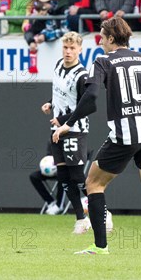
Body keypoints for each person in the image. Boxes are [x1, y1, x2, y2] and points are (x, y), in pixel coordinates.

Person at [53, 17, 141, 255]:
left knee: (94, 184)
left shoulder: (103, 61)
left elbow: (90, 98)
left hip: (125, 134)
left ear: (110, 38)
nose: (99, 41)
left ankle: (100, 247)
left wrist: (68, 123)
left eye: (101, 36)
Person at [42, 32, 93, 234]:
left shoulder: (82, 75)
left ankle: (103, 212)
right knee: (63, 176)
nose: (68, 51)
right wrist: (51, 103)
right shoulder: (57, 65)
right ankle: (81, 219)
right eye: (65, 47)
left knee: (77, 175)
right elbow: (61, 94)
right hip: (57, 129)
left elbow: (86, 105)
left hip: (75, 129)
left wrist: (63, 120)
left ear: (80, 50)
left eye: (72, 48)